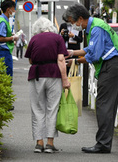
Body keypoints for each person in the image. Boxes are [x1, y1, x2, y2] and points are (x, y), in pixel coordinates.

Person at [62, 3, 118, 154]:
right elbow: (90, 49)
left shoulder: (96, 28)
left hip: (111, 66)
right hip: (114, 65)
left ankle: (103, 144)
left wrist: (76, 60)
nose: (73, 26)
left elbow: (94, 55)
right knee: (107, 105)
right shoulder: (95, 25)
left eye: (73, 22)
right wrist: (73, 53)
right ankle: (104, 142)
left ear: (80, 18)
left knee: (103, 104)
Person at [24, 17, 71, 154]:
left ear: (37, 29)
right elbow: (61, 59)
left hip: (37, 74)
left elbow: (31, 60)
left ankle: (39, 143)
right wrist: (65, 80)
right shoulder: (57, 38)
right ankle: (50, 143)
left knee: (37, 109)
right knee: (52, 108)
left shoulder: (34, 39)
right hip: (54, 74)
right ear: (51, 27)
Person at [0, 0, 19, 78]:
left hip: (1, 52)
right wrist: (13, 38)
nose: (14, 11)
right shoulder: (3, 21)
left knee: (3, 75)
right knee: (6, 76)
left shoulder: (0, 19)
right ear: (8, 9)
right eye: (13, 9)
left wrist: (10, 35)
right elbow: (0, 38)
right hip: (4, 52)